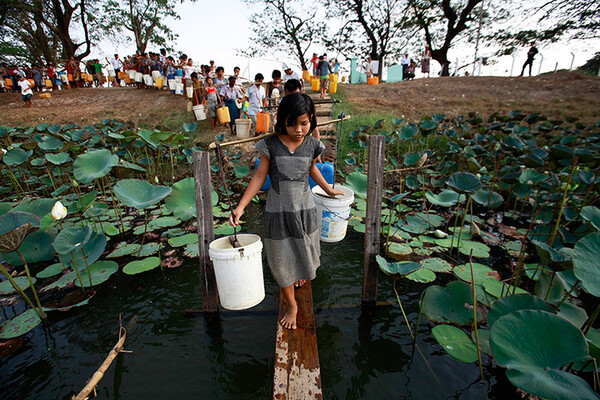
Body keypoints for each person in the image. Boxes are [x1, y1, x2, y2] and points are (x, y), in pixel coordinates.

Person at [229, 92, 344, 330]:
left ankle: (299, 273)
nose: (299, 130)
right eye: (292, 124)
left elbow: (313, 170)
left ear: (311, 119)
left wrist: (329, 191)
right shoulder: (270, 144)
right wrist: (241, 206)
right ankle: (292, 305)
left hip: (304, 210)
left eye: (304, 123)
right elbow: (260, 176)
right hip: (278, 212)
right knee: (281, 260)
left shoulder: (313, 145)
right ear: (283, 121)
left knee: (305, 252)